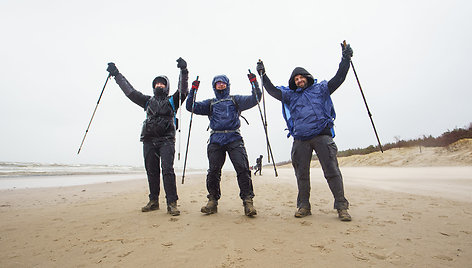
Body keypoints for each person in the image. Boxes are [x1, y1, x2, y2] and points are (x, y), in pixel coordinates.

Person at [256, 42, 353, 221]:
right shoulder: (289, 95)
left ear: (307, 77)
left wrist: (345, 59)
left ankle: (341, 206)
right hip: (300, 138)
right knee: (301, 175)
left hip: (322, 135)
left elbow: (339, 78)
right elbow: (271, 90)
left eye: (301, 78)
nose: (299, 81)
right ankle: (304, 206)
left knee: (332, 171)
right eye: (296, 79)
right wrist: (263, 75)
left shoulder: (321, 88)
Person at [106, 58, 188, 216]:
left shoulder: (173, 100)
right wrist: (116, 75)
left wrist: (183, 71)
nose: (159, 85)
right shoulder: (147, 101)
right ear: (153, 86)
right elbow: (129, 91)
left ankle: (172, 203)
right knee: (151, 171)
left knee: (167, 170)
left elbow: (183, 90)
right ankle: (153, 201)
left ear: (167, 86)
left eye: (162, 83)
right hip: (148, 140)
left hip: (167, 140)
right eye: (157, 83)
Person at [186, 73, 262, 216]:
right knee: (213, 171)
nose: (220, 84)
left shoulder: (235, 100)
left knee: (243, 169)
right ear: (214, 86)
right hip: (216, 139)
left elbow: (255, 99)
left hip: (234, 138)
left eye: (223, 82)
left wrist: (254, 83)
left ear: (227, 85)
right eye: (217, 83)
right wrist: (193, 90)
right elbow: (190, 107)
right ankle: (212, 201)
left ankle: (248, 202)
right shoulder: (211, 103)